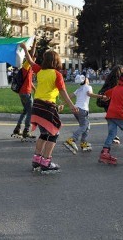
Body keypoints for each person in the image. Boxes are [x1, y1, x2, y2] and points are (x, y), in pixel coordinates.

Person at [20, 42, 78, 174]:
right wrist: (72, 106)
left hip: (37, 106)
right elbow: (63, 92)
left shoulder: (40, 70)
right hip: (47, 107)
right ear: (57, 61)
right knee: (54, 133)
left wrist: (24, 48)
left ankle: (37, 159)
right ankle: (46, 162)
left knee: (44, 133)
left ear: (45, 60)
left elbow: (29, 60)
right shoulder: (57, 74)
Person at [98, 72, 123, 165]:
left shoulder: (115, 88)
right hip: (120, 114)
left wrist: (105, 98)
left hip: (110, 114)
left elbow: (106, 94)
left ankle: (105, 152)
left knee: (112, 133)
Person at [65, 75, 108, 154]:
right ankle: (71, 140)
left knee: (86, 126)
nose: (87, 79)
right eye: (86, 78)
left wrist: (63, 103)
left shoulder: (79, 89)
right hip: (82, 110)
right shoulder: (88, 87)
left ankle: (83, 142)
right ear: (85, 80)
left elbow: (70, 96)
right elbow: (90, 94)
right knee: (84, 126)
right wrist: (102, 96)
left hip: (76, 109)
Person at [12, 40, 37, 140]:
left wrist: (35, 89)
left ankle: (17, 128)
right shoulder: (26, 66)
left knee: (25, 111)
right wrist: (34, 44)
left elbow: (29, 81)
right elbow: (31, 54)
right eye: (34, 58)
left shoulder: (29, 69)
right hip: (25, 93)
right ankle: (26, 130)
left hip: (24, 92)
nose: (34, 60)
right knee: (31, 111)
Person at [97, 65, 123, 144]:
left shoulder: (109, 79)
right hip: (112, 103)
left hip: (107, 103)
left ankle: (113, 135)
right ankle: (112, 136)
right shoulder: (119, 82)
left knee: (111, 121)